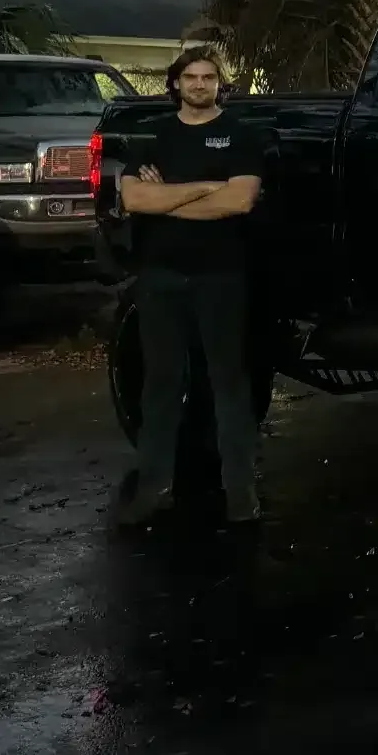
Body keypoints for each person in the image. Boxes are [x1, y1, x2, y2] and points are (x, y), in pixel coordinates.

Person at [113, 48, 266, 527]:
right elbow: (134, 196)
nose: (200, 84)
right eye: (191, 77)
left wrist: (167, 199)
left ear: (219, 83)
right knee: (160, 385)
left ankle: (240, 492)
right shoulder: (155, 135)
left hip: (221, 275)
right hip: (160, 276)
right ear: (176, 84)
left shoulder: (240, 135)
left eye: (209, 77)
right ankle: (154, 489)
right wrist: (204, 187)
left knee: (229, 383)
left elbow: (239, 200)